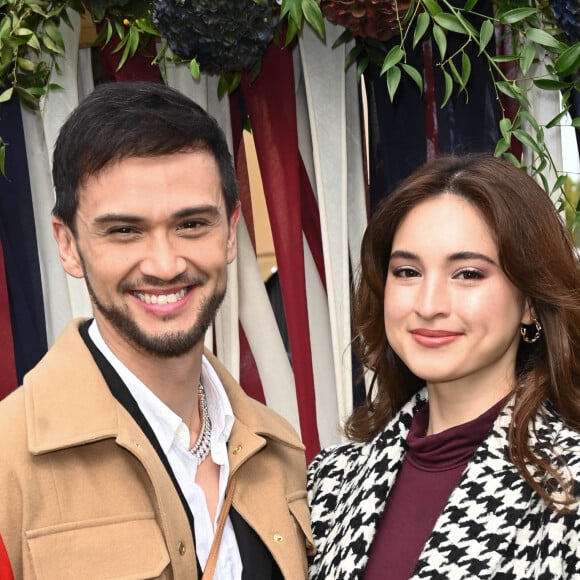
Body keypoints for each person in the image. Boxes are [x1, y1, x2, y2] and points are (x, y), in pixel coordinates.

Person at [0, 81, 313, 579]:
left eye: (191, 224)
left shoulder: (279, 450)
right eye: (124, 230)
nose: (165, 265)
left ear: (231, 231)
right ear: (67, 243)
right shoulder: (8, 462)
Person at [307, 153, 580, 579]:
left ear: (530, 301)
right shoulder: (331, 480)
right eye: (408, 271)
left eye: (468, 274)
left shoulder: (571, 485)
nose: (429, 305)